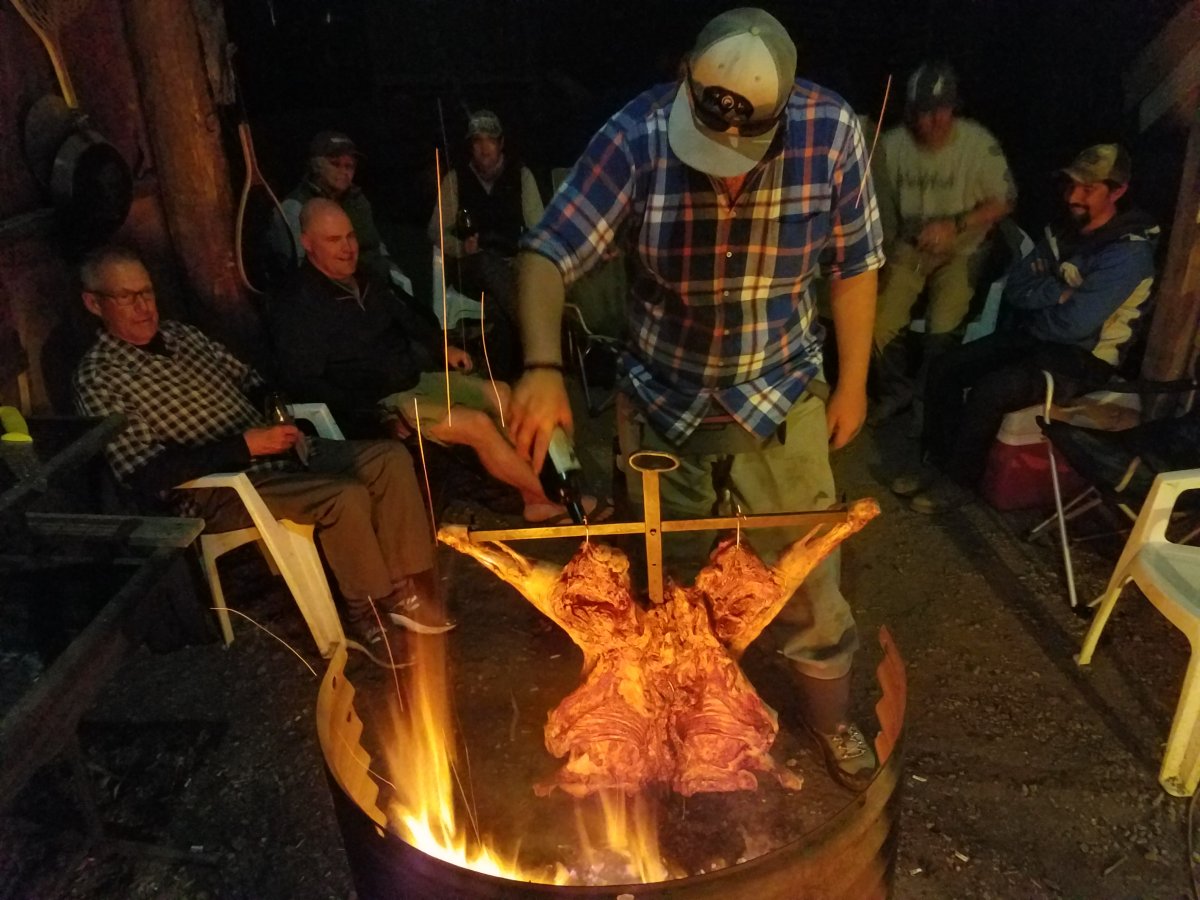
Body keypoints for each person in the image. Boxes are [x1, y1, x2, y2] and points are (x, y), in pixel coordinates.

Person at [509, 9, 884, 790]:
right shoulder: (636, 134)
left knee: (807, 575)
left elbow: (854, 263)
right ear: (686, 80)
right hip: (661, 401)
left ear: (781, 118)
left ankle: (831, 718)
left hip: (780, 389)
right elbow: (547, 251)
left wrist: (851, 382)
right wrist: (541, 363)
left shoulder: (832, 131)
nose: (721, 171)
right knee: (667, 593)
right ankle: (669, 731)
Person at [71, 245, 453, 665]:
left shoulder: (183, 337)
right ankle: (370, 614)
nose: (144, 307)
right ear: (94, 303)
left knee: (388, 459)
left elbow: (252, 380)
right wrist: (243, 446)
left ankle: (403, 588)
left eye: (147, 292)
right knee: (344, 496)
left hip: (273, 451)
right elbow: (144, 473)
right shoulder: (101, 375)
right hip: (219, 488)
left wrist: (276, 412)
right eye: (127, 297)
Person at [270, 199, 601, 525]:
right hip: (381, 401)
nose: (347, 248)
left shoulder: (365, 279)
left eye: (350, 237)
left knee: (500, 392)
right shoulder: (299, 304)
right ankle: (547, 499)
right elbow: (306, 381)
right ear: (307, 243)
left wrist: (442, 348)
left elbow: (410, 316)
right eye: (333, 240)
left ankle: (544, 486)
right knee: (475, 424)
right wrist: (375, 417)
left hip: (413, 379)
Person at [894, 144, 1158, 514]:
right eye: (1070, 185)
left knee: (992, 389)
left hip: (1085, 358)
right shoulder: (1061, 232)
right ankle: (936, 462)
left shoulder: (1127, 253)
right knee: (948, 367)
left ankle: (958, 482)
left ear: (1117, 191)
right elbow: (1018, 289)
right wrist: (1057, 291)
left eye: (1088, 188)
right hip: (1039, 335)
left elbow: (1075, 324)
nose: (1073, 197)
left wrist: (1047, 300)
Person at [871, 62, 1016, 423]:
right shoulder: (891, 146)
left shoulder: (977, 144)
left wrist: (956, 224)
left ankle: (926, 402)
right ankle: (897, 389)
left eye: (941, 110)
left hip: (963, 250)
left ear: (954, 108)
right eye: (923, 111)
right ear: (909, 110)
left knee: (943, 331)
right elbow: (877, 205)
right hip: (911, 247)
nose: (932, 120)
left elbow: (1004, 200)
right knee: (876, 325)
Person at [428, 109, 544, 325]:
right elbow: (435, 231)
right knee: (485, 263)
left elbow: (539, 227)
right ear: (470, 146)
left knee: (496, 305)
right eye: (477, 141)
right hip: (472, 264)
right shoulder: (455, 180)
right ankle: (534, 325)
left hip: (512, 263)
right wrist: (461, 247)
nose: (484, 148)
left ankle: (500, 356)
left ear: (501, 143)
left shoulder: (521, 176)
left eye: (490, 140)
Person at [269, 131, 410, 292]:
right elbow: (299, 269)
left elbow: (375, 243)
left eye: (349, 166)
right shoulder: (295, 208)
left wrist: (392, 269)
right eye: (335, 164)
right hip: (330, 294)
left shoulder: (357, 200)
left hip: (374, 287)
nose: (344, 171)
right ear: (317, 166)